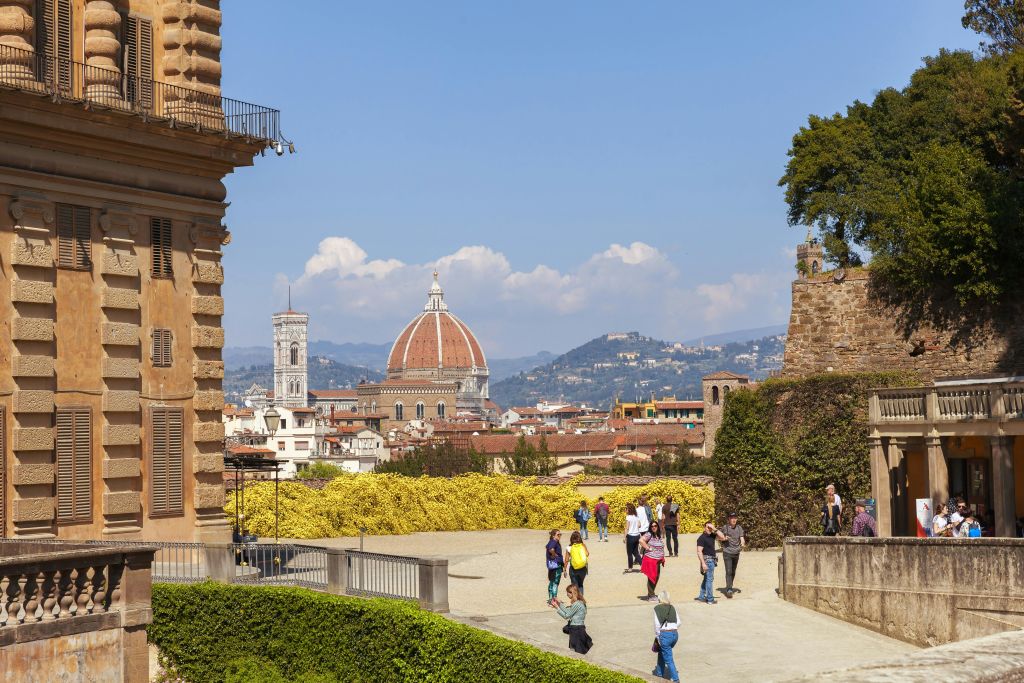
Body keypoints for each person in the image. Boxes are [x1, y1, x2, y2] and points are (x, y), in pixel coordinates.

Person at [552, 584, 591, 654]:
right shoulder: (580, 602)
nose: (567, 594)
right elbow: (569, 612)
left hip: (576, 629)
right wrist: (559, 604)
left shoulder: (577, 604)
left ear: (572, 593)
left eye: (567, 592)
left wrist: (557, 607)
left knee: (576, 651)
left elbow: (566, 615)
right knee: (578, 650)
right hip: (578, 628)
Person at [651, 591, 680, 682]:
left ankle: (676, 679)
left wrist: (658, 636)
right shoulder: (672, 607)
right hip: (675, 635)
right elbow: (679, 622)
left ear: (660, 598)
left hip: (665, 635)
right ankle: (659, 675)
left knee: (668, 659)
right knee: (662, 653)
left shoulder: (657, 608)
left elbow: (657, 625)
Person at [695, 521, 722, 604]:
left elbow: (722, 537)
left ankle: (701, 596)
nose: (709, 529)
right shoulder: (701, 538)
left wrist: (714, 528)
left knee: (707, 579)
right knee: (709, 579)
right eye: (707, 527)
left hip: (711, 560)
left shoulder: (712, 536)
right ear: (704, 527)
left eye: (710, 527)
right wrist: (702, 563)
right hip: (707, 561)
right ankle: (710, 599)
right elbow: (699, 551)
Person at [640, 520, 667, 600]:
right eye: (652, 526)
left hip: (657, 560)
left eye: (655, 526)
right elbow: (641, 540)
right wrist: (648, 548)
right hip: (651, 559)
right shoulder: (649, 534)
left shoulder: (658, 535)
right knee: (652, 576)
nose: (654, 527)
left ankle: (651, 594)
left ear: (657, 527)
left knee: (656, 576)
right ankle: (651, 595)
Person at [720, 512, 745, 598]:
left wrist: (742, 543)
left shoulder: (739, 528)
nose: (734, 519)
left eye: (735, 518)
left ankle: (729, 585)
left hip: (736, 553)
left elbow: (742, 538)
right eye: (732, 518)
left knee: (733, 571)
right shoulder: (725, 528)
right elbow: (718, 537)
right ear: (729, 519)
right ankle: (729, 589)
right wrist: (723, 538)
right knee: (729, 571)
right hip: (727, 552)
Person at [564, 530, 590, 595]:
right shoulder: (583, 545)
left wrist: (564, 570)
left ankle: (576, 601)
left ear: (571, 539)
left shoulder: (569, 547)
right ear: (579, 538)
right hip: (583, 568)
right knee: (580, 584)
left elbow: (566, 560)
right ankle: (581, 600)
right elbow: (587, 554)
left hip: (573, 569)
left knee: (574, 585)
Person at [545, 529, 564, 607]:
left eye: (560, 534)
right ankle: (554, 600)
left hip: (552, 565)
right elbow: (550, 549)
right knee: (555, 583)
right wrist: (555, 555)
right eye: (558, 535)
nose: (559, 536)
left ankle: (551, 599)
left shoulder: (552, 542)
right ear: (553, 535)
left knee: (552, 582)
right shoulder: (553, 542)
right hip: (556, 565)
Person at [624, 503, 643, 572]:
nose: (625, 510)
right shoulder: (636, 517)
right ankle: (643, 565)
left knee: (629, 553)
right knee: (636, 552)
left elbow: (627, 528)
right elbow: (639, 525)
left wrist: (624, 537)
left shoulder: (628, 517)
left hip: (631, 536)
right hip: (637, 536)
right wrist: (635, 526)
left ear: (629, 510)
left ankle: (630, 567)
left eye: (626, 509)